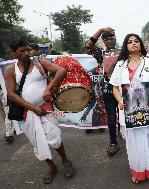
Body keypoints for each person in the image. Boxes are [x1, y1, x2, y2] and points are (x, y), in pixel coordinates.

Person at [4, 40, 74, 184]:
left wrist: (49, 88)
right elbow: (11, 94)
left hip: (45, 108)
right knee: (37, 141)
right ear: (13, 53)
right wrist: (33, 108)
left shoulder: (39, 63)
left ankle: (65, 160)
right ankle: (52, 167)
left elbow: (61, 71)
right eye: (22, 51)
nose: (26, 53)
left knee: (54, 137)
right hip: (28, 112)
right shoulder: (10, 70)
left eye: (27, 50)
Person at [110, 33, 149, 183]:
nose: (133, 43)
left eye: (136, 41)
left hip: (146, 110)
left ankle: (147, 162)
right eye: (130, 41)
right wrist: (119, 101)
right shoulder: (120, 65)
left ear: (140, 44)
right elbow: (114, 88)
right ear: (125, 45)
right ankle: (138, 172)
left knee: (148, 141)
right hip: (128, 110)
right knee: (132, 144)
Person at [84, 27, 120, 156]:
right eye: (107, 39)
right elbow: (89, 44)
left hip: (123, 90)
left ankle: (123, 133)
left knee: (124, 115)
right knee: (111, 116)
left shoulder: (123, 52)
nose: (110, 40)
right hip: (107, 89)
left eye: (112, 38)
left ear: (115, 39)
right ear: (104, 41)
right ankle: (113, 142)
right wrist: (100, 30)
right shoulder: (101, 53)